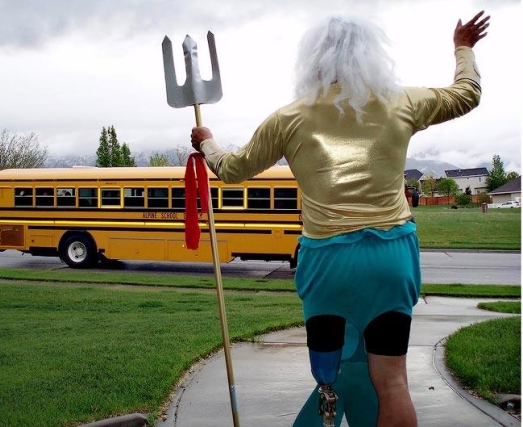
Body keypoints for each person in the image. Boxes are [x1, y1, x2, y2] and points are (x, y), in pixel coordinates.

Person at [191, 12, 488, 427]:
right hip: (391, 258)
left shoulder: (290, 117)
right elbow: (466, 94)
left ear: (314, 59)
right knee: (393, 384)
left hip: (327, 265)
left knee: (328, 379)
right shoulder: (401, 101)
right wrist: (463, 47)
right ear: (371, 56)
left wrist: (208, 143)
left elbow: (233, 169)